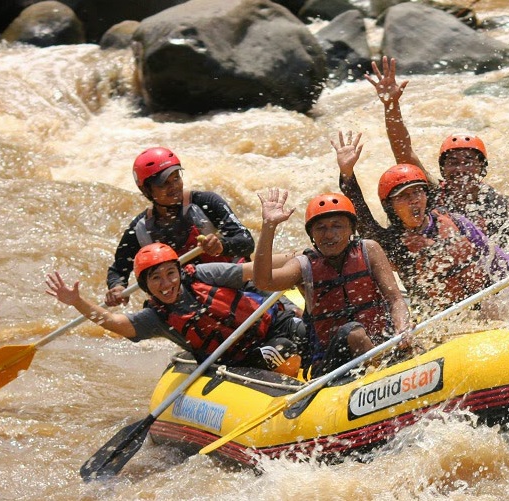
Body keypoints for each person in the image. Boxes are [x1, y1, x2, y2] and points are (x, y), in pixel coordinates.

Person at [47, 242, 302, 372]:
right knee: (281, 351)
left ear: (179, 272)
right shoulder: (156, 317)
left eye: (170, 273)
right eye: (155, 278)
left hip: (275, 324)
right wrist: (77, 302)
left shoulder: (202, 274)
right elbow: (117, 324)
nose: (166, 283)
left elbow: (252, 270)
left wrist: (296, 259)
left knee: (306, 334)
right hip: (243, 359)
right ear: (146, 286)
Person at [333, 133, 509, 315]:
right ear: (389, 206)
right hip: (444, 319)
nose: (413, 200)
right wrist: (347, 174)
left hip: (489, 302)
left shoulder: (456, 221)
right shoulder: (391, 244)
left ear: (426, 196)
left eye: (417, 192)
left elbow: (496, 258)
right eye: (403, 196)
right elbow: (361, 214)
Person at [365, 56, 509, 247]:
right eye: (453, 162)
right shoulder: (433, 193)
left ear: (481, 168)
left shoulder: (499, 204)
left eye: (468, 161)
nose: (461, 168)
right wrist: (391, 106)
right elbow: (403, 151)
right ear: (443, 170)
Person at [251, 188, 413, 377]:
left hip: (381, 344)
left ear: (351, 229)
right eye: (321, 228)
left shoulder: (369, 250)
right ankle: (388, 373)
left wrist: (403, 328)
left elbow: (395, 300)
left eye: (337, 226)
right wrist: (268, 226)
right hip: (331, 365)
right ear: (311, 234)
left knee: (396, 337)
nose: (329, 234)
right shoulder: (304, 266)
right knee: (354, 333)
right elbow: (263, 281)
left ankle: (393, 361)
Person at [105, 146, 255, 307]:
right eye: (164, 184)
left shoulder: (206, 203)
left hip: (236, 283)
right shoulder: (140, 229)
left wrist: (222, 246)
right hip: (195, 301)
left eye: (176, 178)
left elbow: (247, 242)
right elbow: (118, 270)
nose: (174, 186)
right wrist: (117, 287)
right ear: (146, 190)